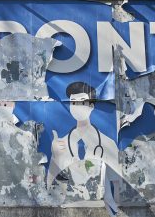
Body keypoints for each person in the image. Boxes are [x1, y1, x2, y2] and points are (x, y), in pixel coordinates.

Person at [46, 81, 120, 216]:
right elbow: (50, 185)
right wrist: (55, 156)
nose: (77, 107)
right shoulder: (60, 145)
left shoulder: (107, 144)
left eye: (82, 102)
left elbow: (118, 185)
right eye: (73, 103)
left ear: (91, 106)